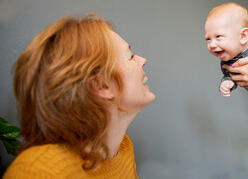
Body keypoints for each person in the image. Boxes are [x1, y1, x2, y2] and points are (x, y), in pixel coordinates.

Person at [3, 13, 155, 178]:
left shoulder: (123, 150)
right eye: (130, 56)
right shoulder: (37, 171)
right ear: (101, 85)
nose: (142, 60)